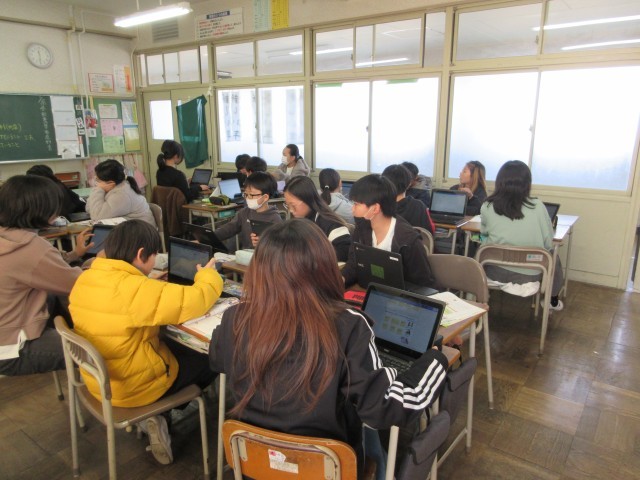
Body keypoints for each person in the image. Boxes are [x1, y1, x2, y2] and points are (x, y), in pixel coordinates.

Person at [208, 219, 448, 475]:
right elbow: (388, 409)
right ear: (325, 268)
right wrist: (435, 360)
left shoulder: (234, 318)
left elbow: (216, 359)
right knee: (368, 434)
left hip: (255, 466)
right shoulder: (349, 325)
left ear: (258, 271)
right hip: (326, 470)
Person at [69, 219, 223, 464]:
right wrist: (208, 276)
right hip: (134, 389)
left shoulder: (87, 277)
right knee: (212, 356)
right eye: (153, 256)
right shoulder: (133, 289)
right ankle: (159, 412)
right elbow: (196, 299)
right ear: (141, 254)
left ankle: (160, 414)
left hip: (100, 381)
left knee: (174, 344)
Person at [0, 175, 93, 377]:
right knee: (103, 351)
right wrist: (98, 263)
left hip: (7, 332)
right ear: (42, 209)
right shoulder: (30, 248)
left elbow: (40, 267)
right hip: (12, 346)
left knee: (53, 300)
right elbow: (78, 284)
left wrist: (74, 255)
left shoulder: (7, 236)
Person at [480, 160, 564, 311]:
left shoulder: (487, 206)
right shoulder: (538, 206)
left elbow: (484, 236)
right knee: (553, 255)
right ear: (527, 184)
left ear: (499, 182)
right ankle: (552, 300)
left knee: (479, 248)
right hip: (529, 274)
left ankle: (476, 301)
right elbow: (548, 243)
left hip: (493, 271)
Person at [341, 174, 438, 289]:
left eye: (356, 204)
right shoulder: (362, 228)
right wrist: (341, 278)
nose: (352, 208)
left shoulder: (408, 240)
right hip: (370, 290)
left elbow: (423, 285)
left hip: (399, 297)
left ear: (375, 208)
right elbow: (354, 264)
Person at [283, 176, 351, 261]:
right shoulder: (299, 220)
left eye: (293, 205)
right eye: (287, 205)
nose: (291, 210)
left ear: (308, 199)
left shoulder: (330, 223)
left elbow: (345, 252)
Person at [211, 172, 283, 250]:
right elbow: (228, 229)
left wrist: (264, 243)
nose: (248, 198)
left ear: (265, 197)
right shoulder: (244, 212)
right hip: (245, 255)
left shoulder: (274, 219)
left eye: (251, 195)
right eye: (246, 194)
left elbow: (279, 247)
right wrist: (209, 237)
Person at [86, 159, 155, 226]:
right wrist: (99, 188)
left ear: (111, 183)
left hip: (142, 231)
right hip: (131, 228)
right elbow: (89, 209)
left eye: (98, 180)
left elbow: (96, 216)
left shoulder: (122, 195)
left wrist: (98, 189)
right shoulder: (115, 187)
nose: (96, 182)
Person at [382, 164, 435, 234]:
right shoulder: (419, 206)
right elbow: (429, 232)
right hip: (414, 241)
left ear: (383, 184)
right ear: (409, 183)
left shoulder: (378, 206)